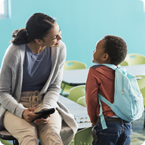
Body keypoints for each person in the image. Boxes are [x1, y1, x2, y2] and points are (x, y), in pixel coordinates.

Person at [0, 13, 77, 145]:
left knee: (52, 136)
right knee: (29, 137)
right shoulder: (15, 52)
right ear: (38, 40)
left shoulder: (59, 48)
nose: (60, 37)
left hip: (44, 102)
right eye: (54, 36)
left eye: (59, 32)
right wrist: (22, 112)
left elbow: (54, 87)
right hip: (15, 104)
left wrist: (45, 110)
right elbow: (2, 92)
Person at [85, 35, 132, 145]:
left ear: (105, 56)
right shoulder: (122, 72)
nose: (93, 51)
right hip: (127, 125)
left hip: (107, 124)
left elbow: (91, 99)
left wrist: (93, 120)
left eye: (96, 49)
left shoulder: (95, 71)